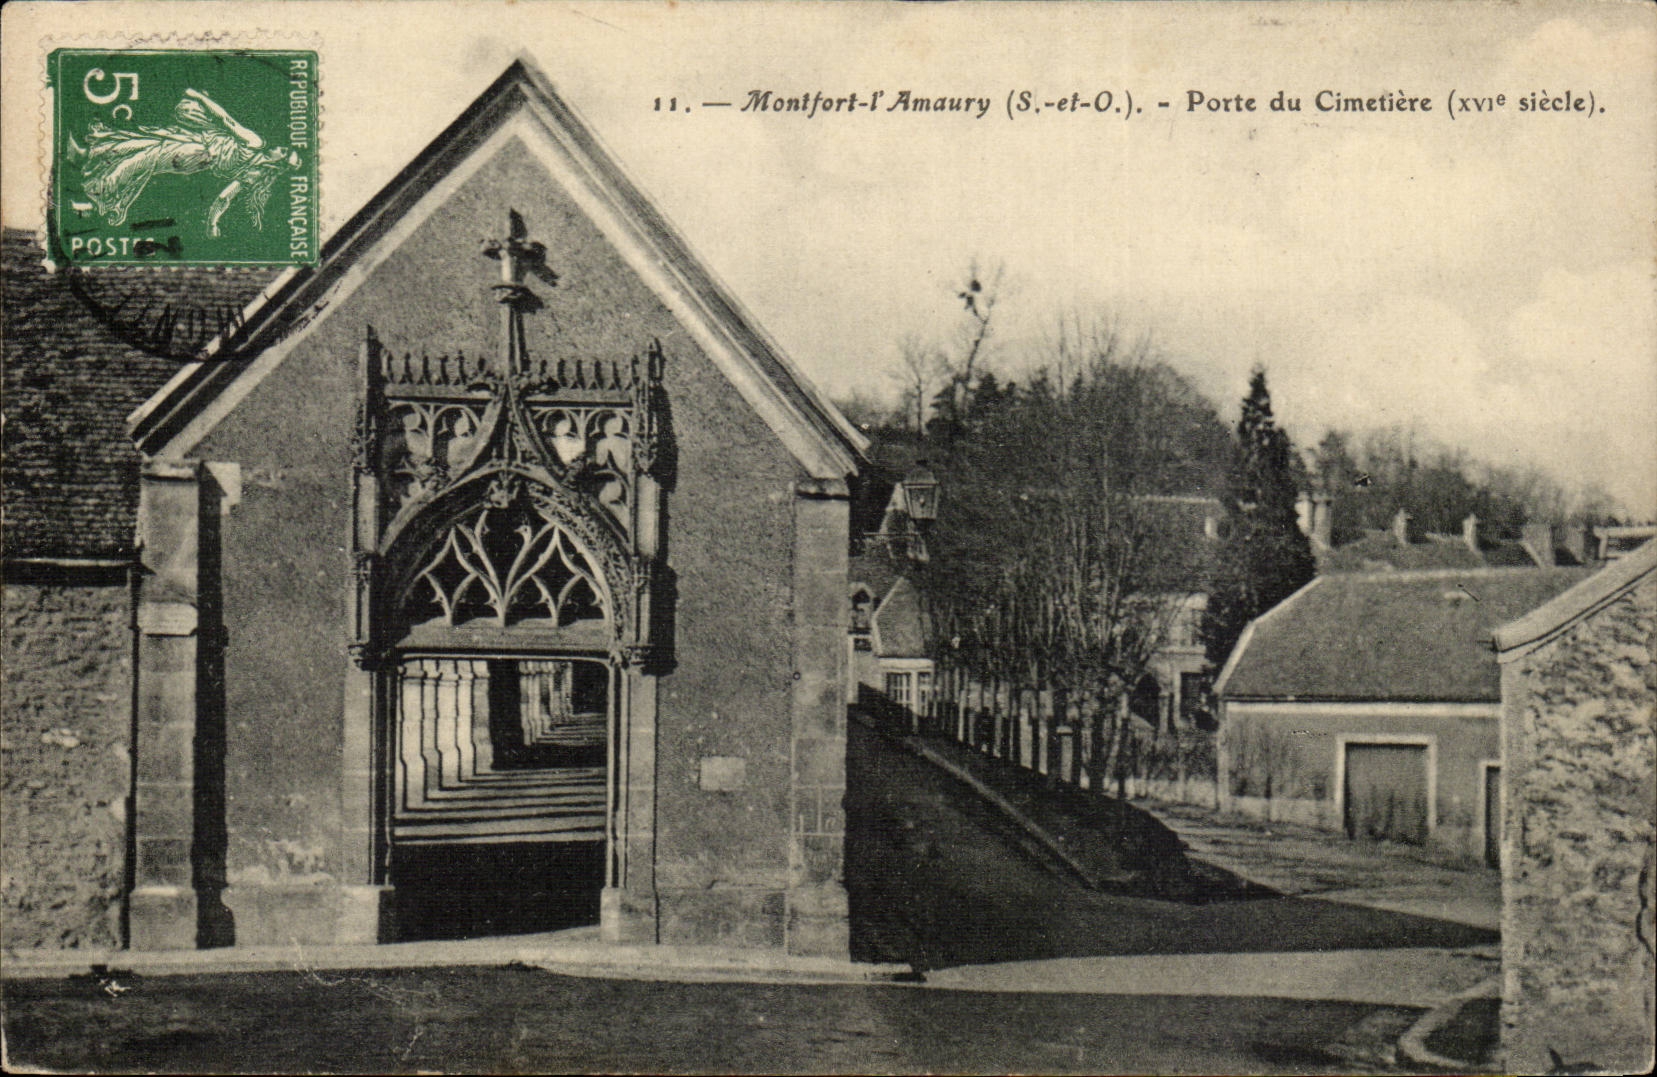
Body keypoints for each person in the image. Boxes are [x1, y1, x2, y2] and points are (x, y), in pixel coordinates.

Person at [67, 88, 298, 236]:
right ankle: (90, 155)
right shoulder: (253, 174)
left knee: (148, 155)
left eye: (284, 151)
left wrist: (199, 97)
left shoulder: (256, 143)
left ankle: (97, 189)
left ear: (279, 162)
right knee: (146, 144)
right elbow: (223, 199)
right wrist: (212, 224)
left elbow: (226, 120)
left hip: (196, 151)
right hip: (195, 154)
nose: (279, 147)